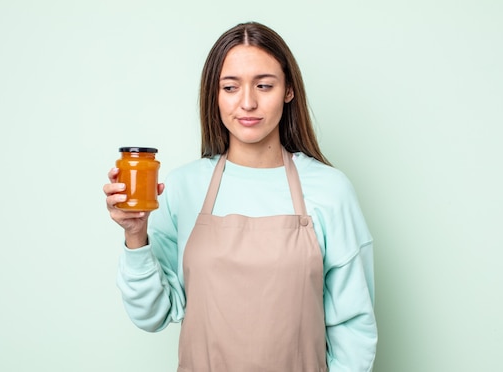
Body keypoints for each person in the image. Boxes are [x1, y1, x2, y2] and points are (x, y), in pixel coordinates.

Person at [104, 21, 377, 372]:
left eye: (264, 85)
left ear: (289, 90)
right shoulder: (184, 186)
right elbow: (153, 314)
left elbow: (355, 328)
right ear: (214, 95)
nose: (247, 103)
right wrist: (135, 235)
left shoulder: (330, 189)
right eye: (230, 87)